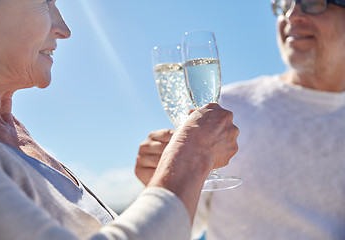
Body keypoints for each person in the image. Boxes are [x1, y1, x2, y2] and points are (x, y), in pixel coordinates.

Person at [0, 0, 240, 239]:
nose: (64, 29)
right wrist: (192, 157)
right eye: (44, 3)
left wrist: (160, 186)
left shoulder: (13, 135)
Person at [135, 0, 345, 239]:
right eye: (284, 4)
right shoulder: (227, 109)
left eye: (312, 2)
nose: (292, 15)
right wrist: (161, 181)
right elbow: (180, 228)